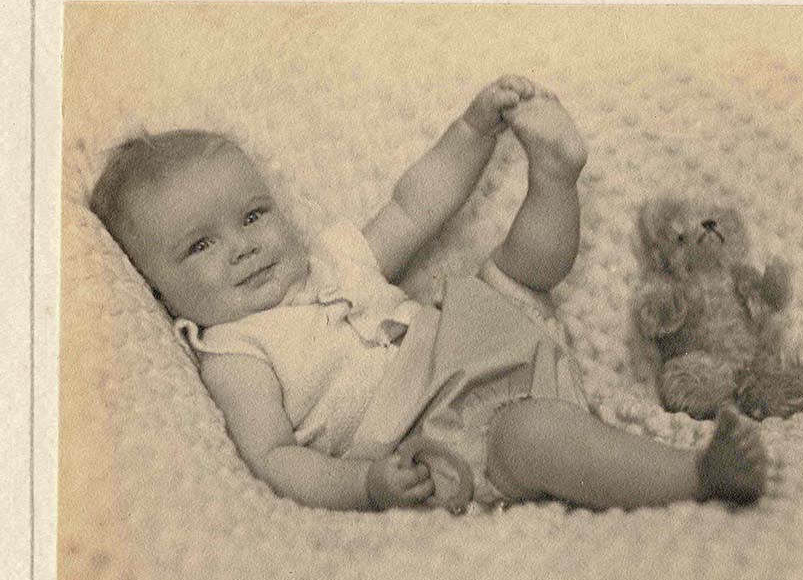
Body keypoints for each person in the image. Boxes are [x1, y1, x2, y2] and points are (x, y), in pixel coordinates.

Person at [90, 75, 767, 512]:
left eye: (252, 215)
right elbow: (274, 458)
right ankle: (693, 475)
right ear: (157, 288)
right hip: (444, 430)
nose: (241, 246)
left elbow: (414, 206)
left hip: (466, 343)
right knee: (534, 435)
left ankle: (554, 177)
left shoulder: (330, 261)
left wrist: (472, 130)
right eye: (200, 246)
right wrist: (365, 484)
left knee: (515, 273)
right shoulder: (235, 351)